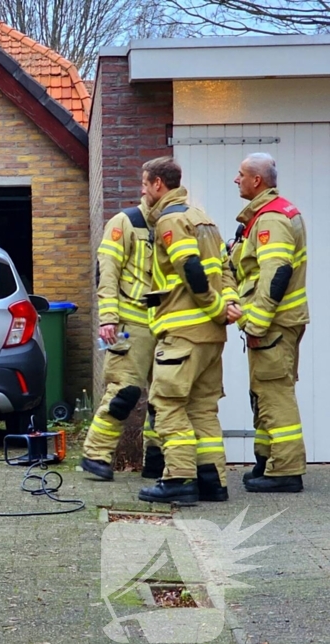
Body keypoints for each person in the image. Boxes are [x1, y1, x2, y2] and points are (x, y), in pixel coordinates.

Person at [136, 157, 241, 505]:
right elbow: (225, 266)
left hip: (183, 333)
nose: (142, 190)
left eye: (145, 184)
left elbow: (191, 269)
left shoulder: (171, 220)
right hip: (211, 337)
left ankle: (179, 478)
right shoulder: (204, 219)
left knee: (167, 403)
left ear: (158, 186)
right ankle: (213, 482)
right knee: (202, 409)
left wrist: (214, 307)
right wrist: (227, 304)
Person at [230, 153, 308, 493]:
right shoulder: (266, 216)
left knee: (275, 394)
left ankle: (286, 470)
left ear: (257, 180)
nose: (237, 179)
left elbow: (276, 272)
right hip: (277, 323)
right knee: (263, 392)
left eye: (241, 174)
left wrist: (256, 322)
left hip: (273, 324)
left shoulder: (271, 219)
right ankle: (266, 460)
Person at [80, 195, 163, 481]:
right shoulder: (125, 222)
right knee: (123, 392)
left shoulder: (173, 223)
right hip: (131, 324)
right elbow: (107, 271)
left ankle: (157, 459)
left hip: (166, 324)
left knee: (164, 398)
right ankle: (96, 455)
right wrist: (108, 318)